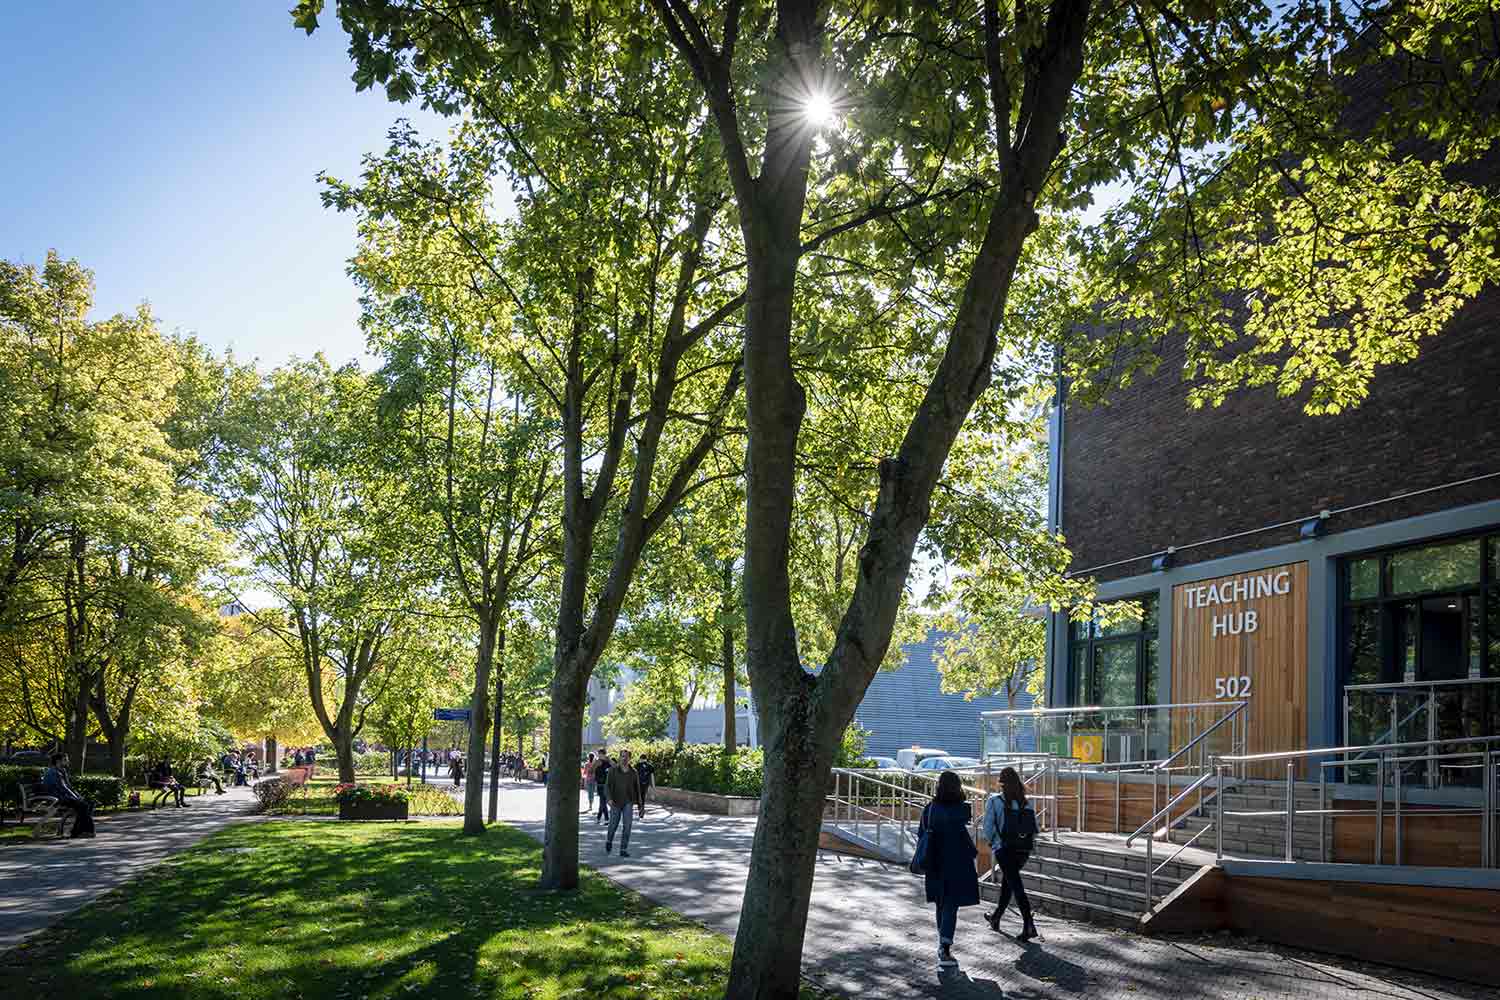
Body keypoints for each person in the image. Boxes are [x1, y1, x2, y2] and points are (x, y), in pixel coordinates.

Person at [919, 770, 980, 968]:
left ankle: (943, 943)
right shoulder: (962, 809)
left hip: (934, 861)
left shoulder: (929, 808)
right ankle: (944, 946)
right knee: (951, 905)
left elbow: (921, 833)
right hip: (957, 862)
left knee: (940, 902)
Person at [981, 766, 1039, 942]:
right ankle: (996, 917)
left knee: (1016, 886)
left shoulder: (995, 800)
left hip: (1004, 849)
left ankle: (1029, 924)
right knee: (1009, 883)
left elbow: (988, 827)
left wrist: (992, 842)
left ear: (1002, 783)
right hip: (1023, 850)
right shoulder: (1026, 801)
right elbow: (1034, 828)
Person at [41, 753, 95, 838]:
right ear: (58, 761)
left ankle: (79, 831)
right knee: (83, 805)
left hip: (63, 797)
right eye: (65, 760)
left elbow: (69, 787)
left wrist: (78, 796)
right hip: (57, 798)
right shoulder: (53, 772)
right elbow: (63, 788)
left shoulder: (62, 771)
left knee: (90, 803)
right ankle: (85, 831)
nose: (67, 761)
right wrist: (76, 798)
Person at [604, 748, 644, 857]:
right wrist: (609, 799)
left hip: (628, 802)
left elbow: (638, 789)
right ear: (619, 757)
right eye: (622, 756)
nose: (624, 758)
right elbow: (607, 786)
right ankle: (609, 841)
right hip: (615, 802)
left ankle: (623, 849)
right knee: (613, 825)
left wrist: (641, 806)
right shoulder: (613, 771)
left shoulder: (633, 772)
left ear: (630, 758)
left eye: (626, 756)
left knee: (628, 825)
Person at [592, 753, 612, 824]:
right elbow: (591, 771)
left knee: (602, 802)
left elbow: (615, 768)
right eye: (599, 755)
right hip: (599, 785)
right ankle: (599, 818)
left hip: (605, 785)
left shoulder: (607, 764)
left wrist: (609, 760)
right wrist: (595, 763)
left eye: (601, 755)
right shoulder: (597, 763)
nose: (600, 756)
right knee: (602, 802)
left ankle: (606, 818)